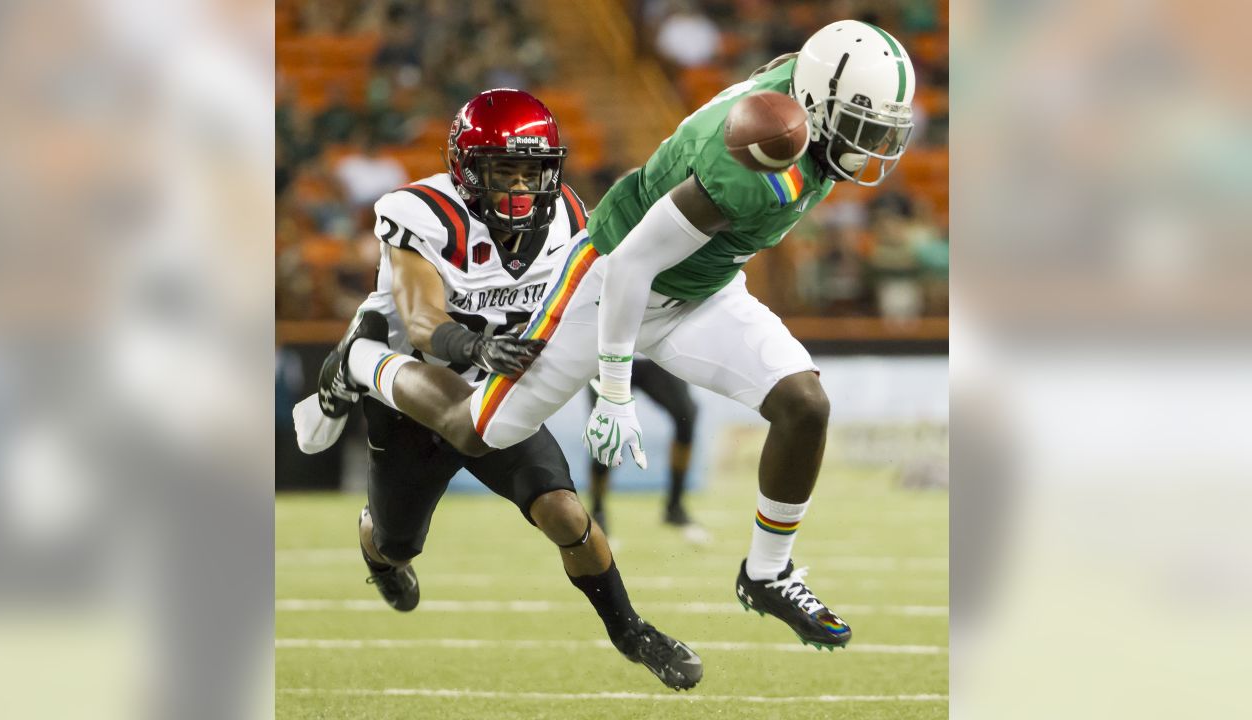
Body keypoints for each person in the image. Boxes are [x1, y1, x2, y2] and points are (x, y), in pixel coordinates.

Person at [321, 20, 916, 651]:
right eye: (864, 124)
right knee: (477, 430)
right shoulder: (748, 158)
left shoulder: (805, 106)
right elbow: (634, 263)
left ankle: (768, 573)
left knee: (804, 403)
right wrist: (614, 391)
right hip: (608, 278)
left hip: (704, 290)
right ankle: (362, 361)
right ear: (819, 104)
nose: (877, 143)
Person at [293, 89, 702, 690]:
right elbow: (426, 322)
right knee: (395, 543)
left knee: (564, 511)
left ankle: (631, 630)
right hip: (413, 389)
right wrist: (477, 347)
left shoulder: (566, 214)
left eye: (532, 171)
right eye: (502, 171)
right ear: (466, 170)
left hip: (494, 388)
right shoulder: (425, 213)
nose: (519, 187)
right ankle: (358, 366)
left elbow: (590, 298)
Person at [585, 359, 701, 536]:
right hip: (609, 358)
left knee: (686, 415)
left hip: (653, 353)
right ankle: (597, 511)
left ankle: (675, 507)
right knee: (608, 435)